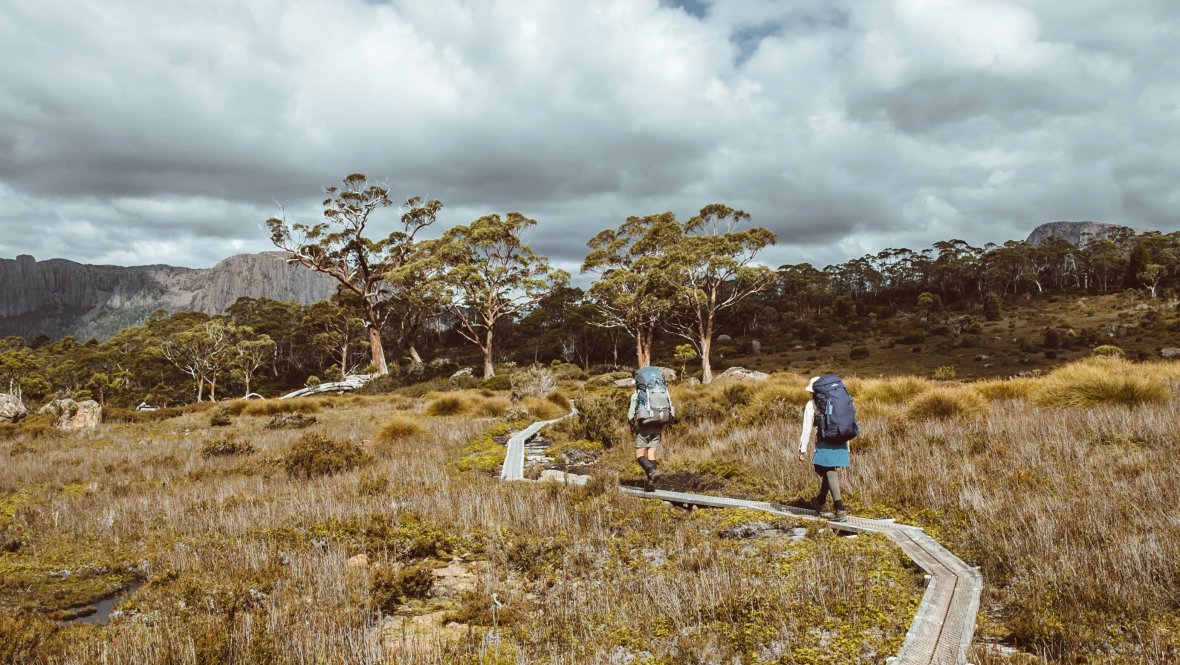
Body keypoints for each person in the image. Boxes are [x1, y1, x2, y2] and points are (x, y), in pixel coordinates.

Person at [797, 375, 855, 522]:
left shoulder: (812, 404)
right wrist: (847, 444)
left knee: (828, 470)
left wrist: (802, 449)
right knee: (828, 470)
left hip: (825, 438)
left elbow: (807, 428)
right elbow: (845, 420)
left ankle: (840, 510)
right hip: (841, 438)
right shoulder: (838, 400)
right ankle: (820, 501)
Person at [628, 372, 675, 492]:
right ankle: (651, 483)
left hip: (645, 426)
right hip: (659, 424)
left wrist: (631, 424)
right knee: (651, 453)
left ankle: (651, 471)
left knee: (639, 454)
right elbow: (671, 407)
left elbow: (630, 415)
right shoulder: (663, 391)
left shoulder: (637, 394)